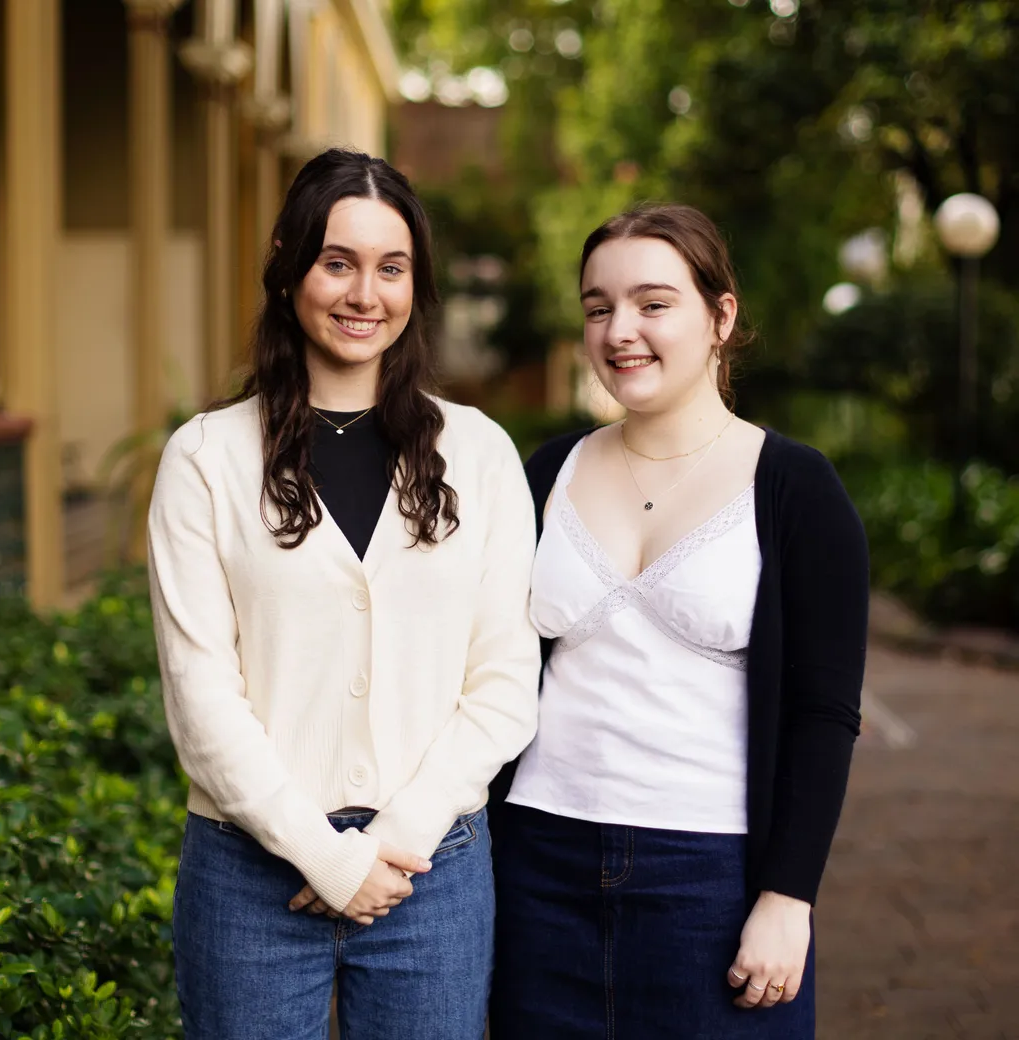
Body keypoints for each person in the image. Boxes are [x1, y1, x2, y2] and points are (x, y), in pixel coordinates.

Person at [148, 148, 540, 1040]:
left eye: (391, 268)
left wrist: (393, 839)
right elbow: (201, 698)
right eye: (338, 262)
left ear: (416, 286)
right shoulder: (205, 460)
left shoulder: (477, 455)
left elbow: (507, 680)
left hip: (431, 869)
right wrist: (325, 856)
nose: (366, 294)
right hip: (249, 873)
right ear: (288, 266)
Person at [489, 204, 868, 1039]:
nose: (621, 329)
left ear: (720, 316)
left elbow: (824, 713)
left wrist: (788, 896)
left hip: (712, 880)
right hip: (535, 865)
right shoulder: (547, 471)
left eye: (654, 304)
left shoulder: (797, 488)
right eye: (598, 307)